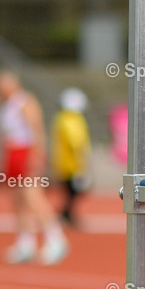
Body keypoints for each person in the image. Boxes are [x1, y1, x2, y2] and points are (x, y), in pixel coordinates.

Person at [0, 71, 68, 265]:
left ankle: (56, 240)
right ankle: (25, 244)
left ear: (13, 84)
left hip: (26, 153)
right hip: (11, 153)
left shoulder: (25, 102)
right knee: (18, 202)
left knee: (33, 198)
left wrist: (38, 155)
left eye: (2, 86)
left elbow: (37, 130)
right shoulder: (6, 106)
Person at [50, 87, 91, 226]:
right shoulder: (73, 119)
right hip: (72, 163)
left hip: (64, 161)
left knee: (69, 191)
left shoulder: (61, 117)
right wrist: (82, 160)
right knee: (74, 190)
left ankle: (66, 213)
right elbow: (75, 141)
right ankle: (66, 214)